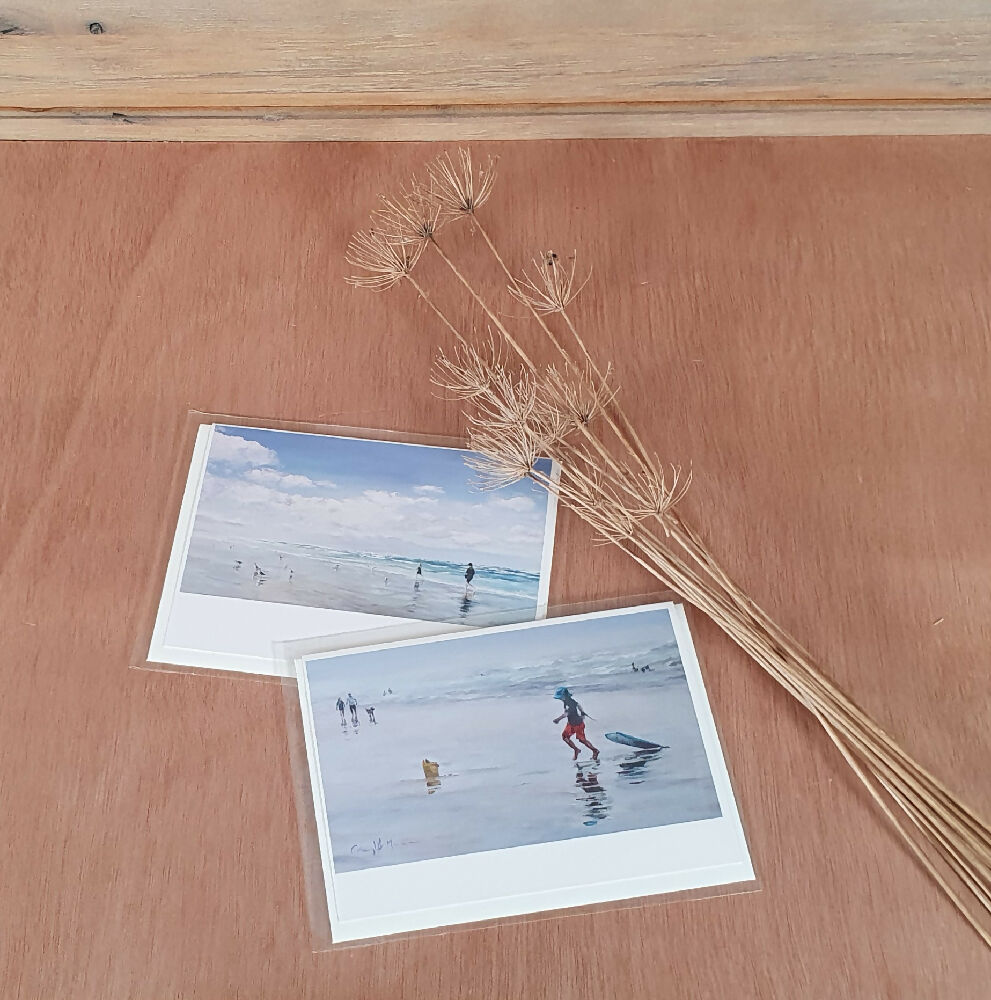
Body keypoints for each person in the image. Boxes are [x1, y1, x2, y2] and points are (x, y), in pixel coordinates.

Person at [553, 686, 599, 761]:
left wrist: (558, 719)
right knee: (565, 737)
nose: (560, 699)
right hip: (571, 723)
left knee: (582, 740)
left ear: (565, 696)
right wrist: (582, 712)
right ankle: (576, 749)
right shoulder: (569, 701)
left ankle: (595, 750)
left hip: (578, 724)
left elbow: (566, 714)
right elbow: (578, 705)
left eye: (560, 697)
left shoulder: (569, 703)